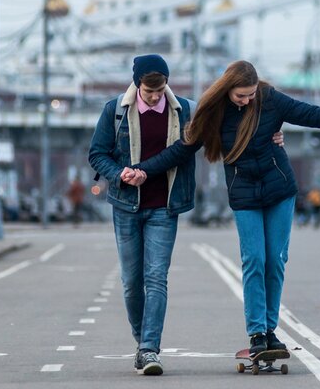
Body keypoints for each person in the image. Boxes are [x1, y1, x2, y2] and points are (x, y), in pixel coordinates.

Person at [123, 60, 320, 358]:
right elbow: (181, 149)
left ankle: (271, 331)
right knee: (254, 260)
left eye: (251, 94)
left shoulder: (269, 100)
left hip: (279, 190)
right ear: (228, 90)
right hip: (244, 195)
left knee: (276, 260)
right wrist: (141, 170)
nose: (247, 100)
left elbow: (312, 114)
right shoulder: (215, 112)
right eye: (241, 96)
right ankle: (257, 331)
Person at [89, 54, 284, 375]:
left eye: (159, 89)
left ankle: (149, 349)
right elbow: (97, 153)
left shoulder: (187, 110)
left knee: (156, 278)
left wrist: (274, 134)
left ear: (166, 83)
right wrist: (119, 173)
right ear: (137, 84)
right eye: (148, 91)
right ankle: (142, 340)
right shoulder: (115, 111)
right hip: (126, 204)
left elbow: (234, 122)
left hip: (165, 207)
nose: (154, 97)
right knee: (130, 282)